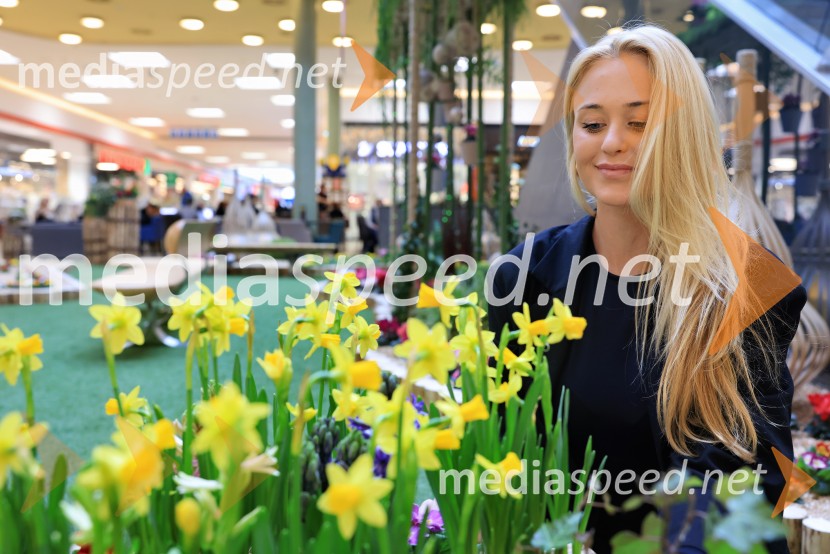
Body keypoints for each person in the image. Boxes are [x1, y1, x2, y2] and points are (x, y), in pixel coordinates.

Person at [487, 25, 805, 553]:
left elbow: (750, 476)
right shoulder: (523, 277)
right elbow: (504, 452)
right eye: (592, 123)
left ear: (684, 134)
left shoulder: (744, 284)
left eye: (640, 122)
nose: (612, 142)